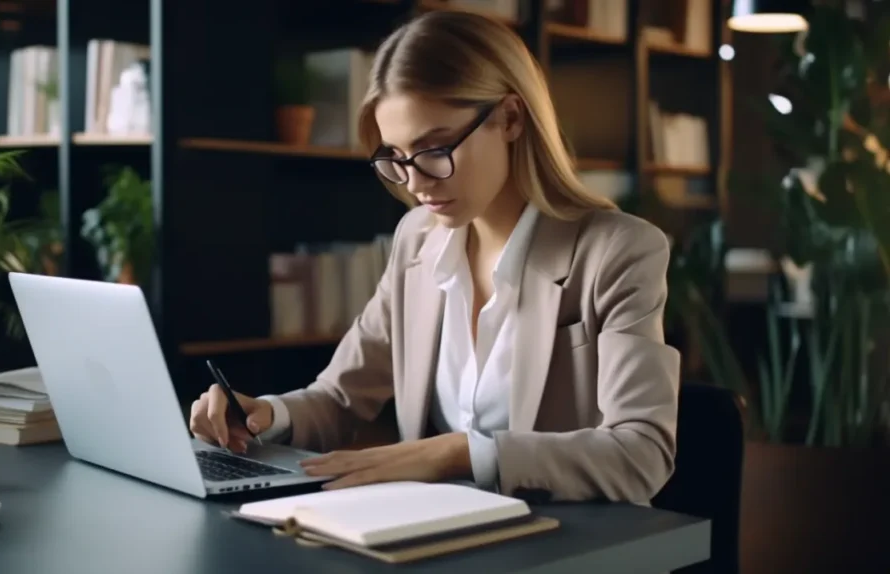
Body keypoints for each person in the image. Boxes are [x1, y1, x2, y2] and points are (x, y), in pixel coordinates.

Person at [189, 10, 680, 504]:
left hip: (560, 541)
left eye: (435, 148)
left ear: (510, 118)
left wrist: (458, 453)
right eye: (397, 157)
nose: (416, 182)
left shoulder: (618, 251)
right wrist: (264, 415)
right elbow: (340, 397)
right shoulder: (417, 242)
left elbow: (641, 454)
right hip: (430, 533)